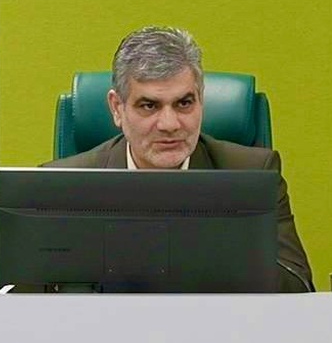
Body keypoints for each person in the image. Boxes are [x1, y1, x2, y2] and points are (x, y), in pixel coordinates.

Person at [45, 26, 314, 292]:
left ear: (201, 100)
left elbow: (297, 287)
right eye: (149, 106)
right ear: (117, 108)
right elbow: (32, 294)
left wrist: (208, 247)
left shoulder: (252, 174)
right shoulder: (63, 186)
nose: (169, 124)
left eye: (184, 103)